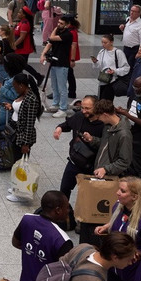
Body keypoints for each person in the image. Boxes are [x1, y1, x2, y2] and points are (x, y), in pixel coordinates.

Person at [94, 176, 141, 281]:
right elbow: (118, 222)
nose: (117, 193)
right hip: (114, 267)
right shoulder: (118, 206)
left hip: (132, 272)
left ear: (135, 196)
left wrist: (139, 253)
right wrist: (106, 226)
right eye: (119, 189)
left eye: (122, 191)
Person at [12, 191, 73, 281]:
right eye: (67, 207)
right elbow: (66, 273)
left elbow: (16, 242)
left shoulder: (27, 219)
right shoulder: (62, 240)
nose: (69, 211)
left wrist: (32, 253)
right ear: (58, 210)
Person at [53, 95, 105, 226]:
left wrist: (92, 140)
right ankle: (64, 218)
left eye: (87, 108)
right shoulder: (79, 116)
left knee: (88, 196)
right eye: (82, 107)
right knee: (64, 190)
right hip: (74, 161)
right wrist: (59, 128)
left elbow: (107, 145)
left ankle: (84, 221)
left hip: (92, 166)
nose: (84, 111)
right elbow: (67, 124)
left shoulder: (103, 124)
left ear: (96, 107)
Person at [3, 73, 43, 202]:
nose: (14, 89)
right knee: (16, 162)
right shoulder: (22, 95)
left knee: (21, 165)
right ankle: (16, 187)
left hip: (23, 136)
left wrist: (25, 143)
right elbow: (20, 112)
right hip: (16, 131)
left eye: (15, 86)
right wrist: (11, 107)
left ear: (21, 85)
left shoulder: (31, 100)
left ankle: (20, 193)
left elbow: (29, 123)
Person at [83, 99, 132, 179]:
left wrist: (106, 169)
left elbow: (125, 161)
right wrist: (92, 139)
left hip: (110, 175)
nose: (98, 119)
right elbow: (105, 145)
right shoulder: (108, 126)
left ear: (105, 115)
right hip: (100, 171)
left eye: (99, 117)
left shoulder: (124, 135)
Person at [41, 14, 74, 118]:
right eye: (58, 22)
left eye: (61, 23)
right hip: (54, 62)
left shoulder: (68, 34)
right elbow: (50, 43)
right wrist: (43, 54)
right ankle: (56, 104)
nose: (58, 24)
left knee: (62, 88)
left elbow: (51, 38)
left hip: (62, 64)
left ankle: (63, 108)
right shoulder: (58, 32)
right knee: (54, 86)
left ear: (67, 25)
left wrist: (55, 29)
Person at [0, 54, 27, 132]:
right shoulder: (12, 76)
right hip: (3, 106)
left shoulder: (17, 80)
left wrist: (0, 87)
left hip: (8, 108)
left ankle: (13, 127)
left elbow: (14, 96)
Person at [92, 33, 130, 100]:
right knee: (101, 98)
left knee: (107, 99)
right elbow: (99, 65)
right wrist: (95, 62)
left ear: (111, 42)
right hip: (103, 79)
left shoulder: (118, 52)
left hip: (113, 80)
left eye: (105, 42)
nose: (103, 44)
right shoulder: (102, 52)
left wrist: (115, 71)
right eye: (102, 42)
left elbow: (126, 68)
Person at [119, 4, 141, 70]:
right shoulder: (128, 19)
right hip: (126, 47)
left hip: (134, 49)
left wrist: (140, 52)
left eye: (134, 11)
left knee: (130, 66)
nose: (131, 12)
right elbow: (130, 33)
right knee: (124, 65)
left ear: (139, 13)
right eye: (131, 10)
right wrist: (122, 29)